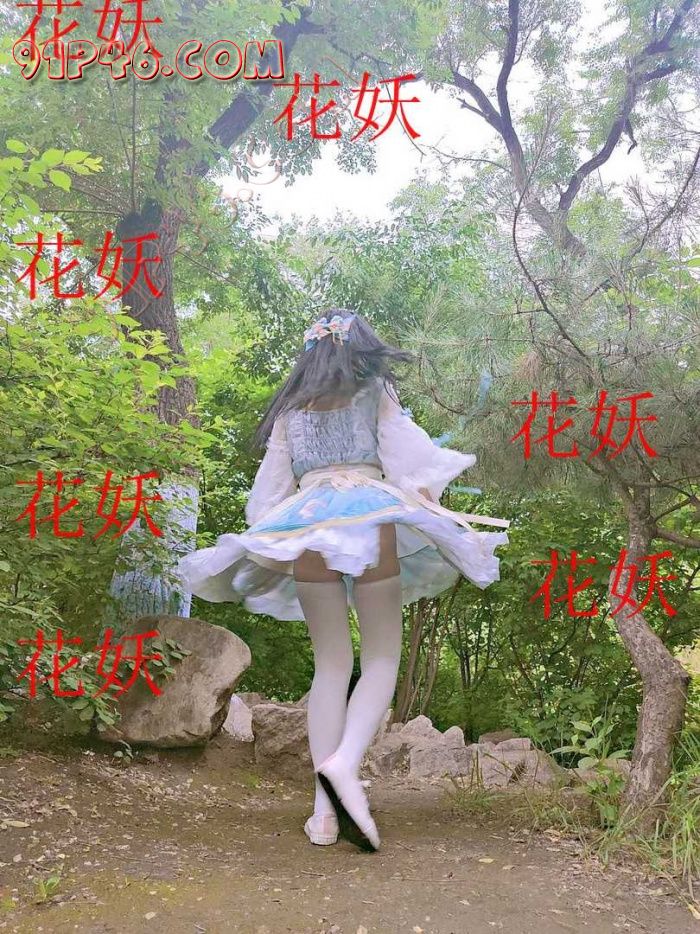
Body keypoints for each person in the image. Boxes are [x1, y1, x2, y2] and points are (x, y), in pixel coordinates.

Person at [177, 310, 509, 852]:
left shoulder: (290, 411)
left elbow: (267, 496)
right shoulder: (374, 392)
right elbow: (412, 465)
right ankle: (345, 763)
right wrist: (434, 514)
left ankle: (324, 814)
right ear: (360, 350)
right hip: (369, 518)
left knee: (330, 665)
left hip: (308, 523)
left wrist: (272, 535)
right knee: (381, 659)